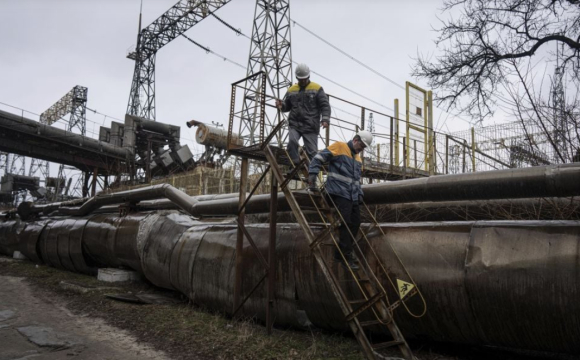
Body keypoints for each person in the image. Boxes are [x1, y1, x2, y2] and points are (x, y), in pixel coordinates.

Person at [307, 130, 373, 270]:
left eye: (364, 148)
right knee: (346, 222)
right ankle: (345, 256)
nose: (362, 149)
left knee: (356, 223)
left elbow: (355, 181)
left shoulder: (358, 159)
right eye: (361, 146)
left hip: (352, 195)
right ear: (355, 140)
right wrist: (312, 176)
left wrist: (359, 194)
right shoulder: (339, 147)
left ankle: (340, 253)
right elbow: (318, 158)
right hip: (337, 192)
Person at [275, 63, 331, 168]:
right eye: (301, 79)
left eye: (304, 79)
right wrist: (281, 105)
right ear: (297, 78)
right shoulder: (291, 90)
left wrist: (325, 119)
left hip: (310, 126)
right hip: (295, 124)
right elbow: (287, 106)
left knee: (312, 153)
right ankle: (295, 164)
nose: (303, 81)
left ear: (308, 76)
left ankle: (313, 175)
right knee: (292, 142)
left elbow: (325, 105)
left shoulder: (317, 88)